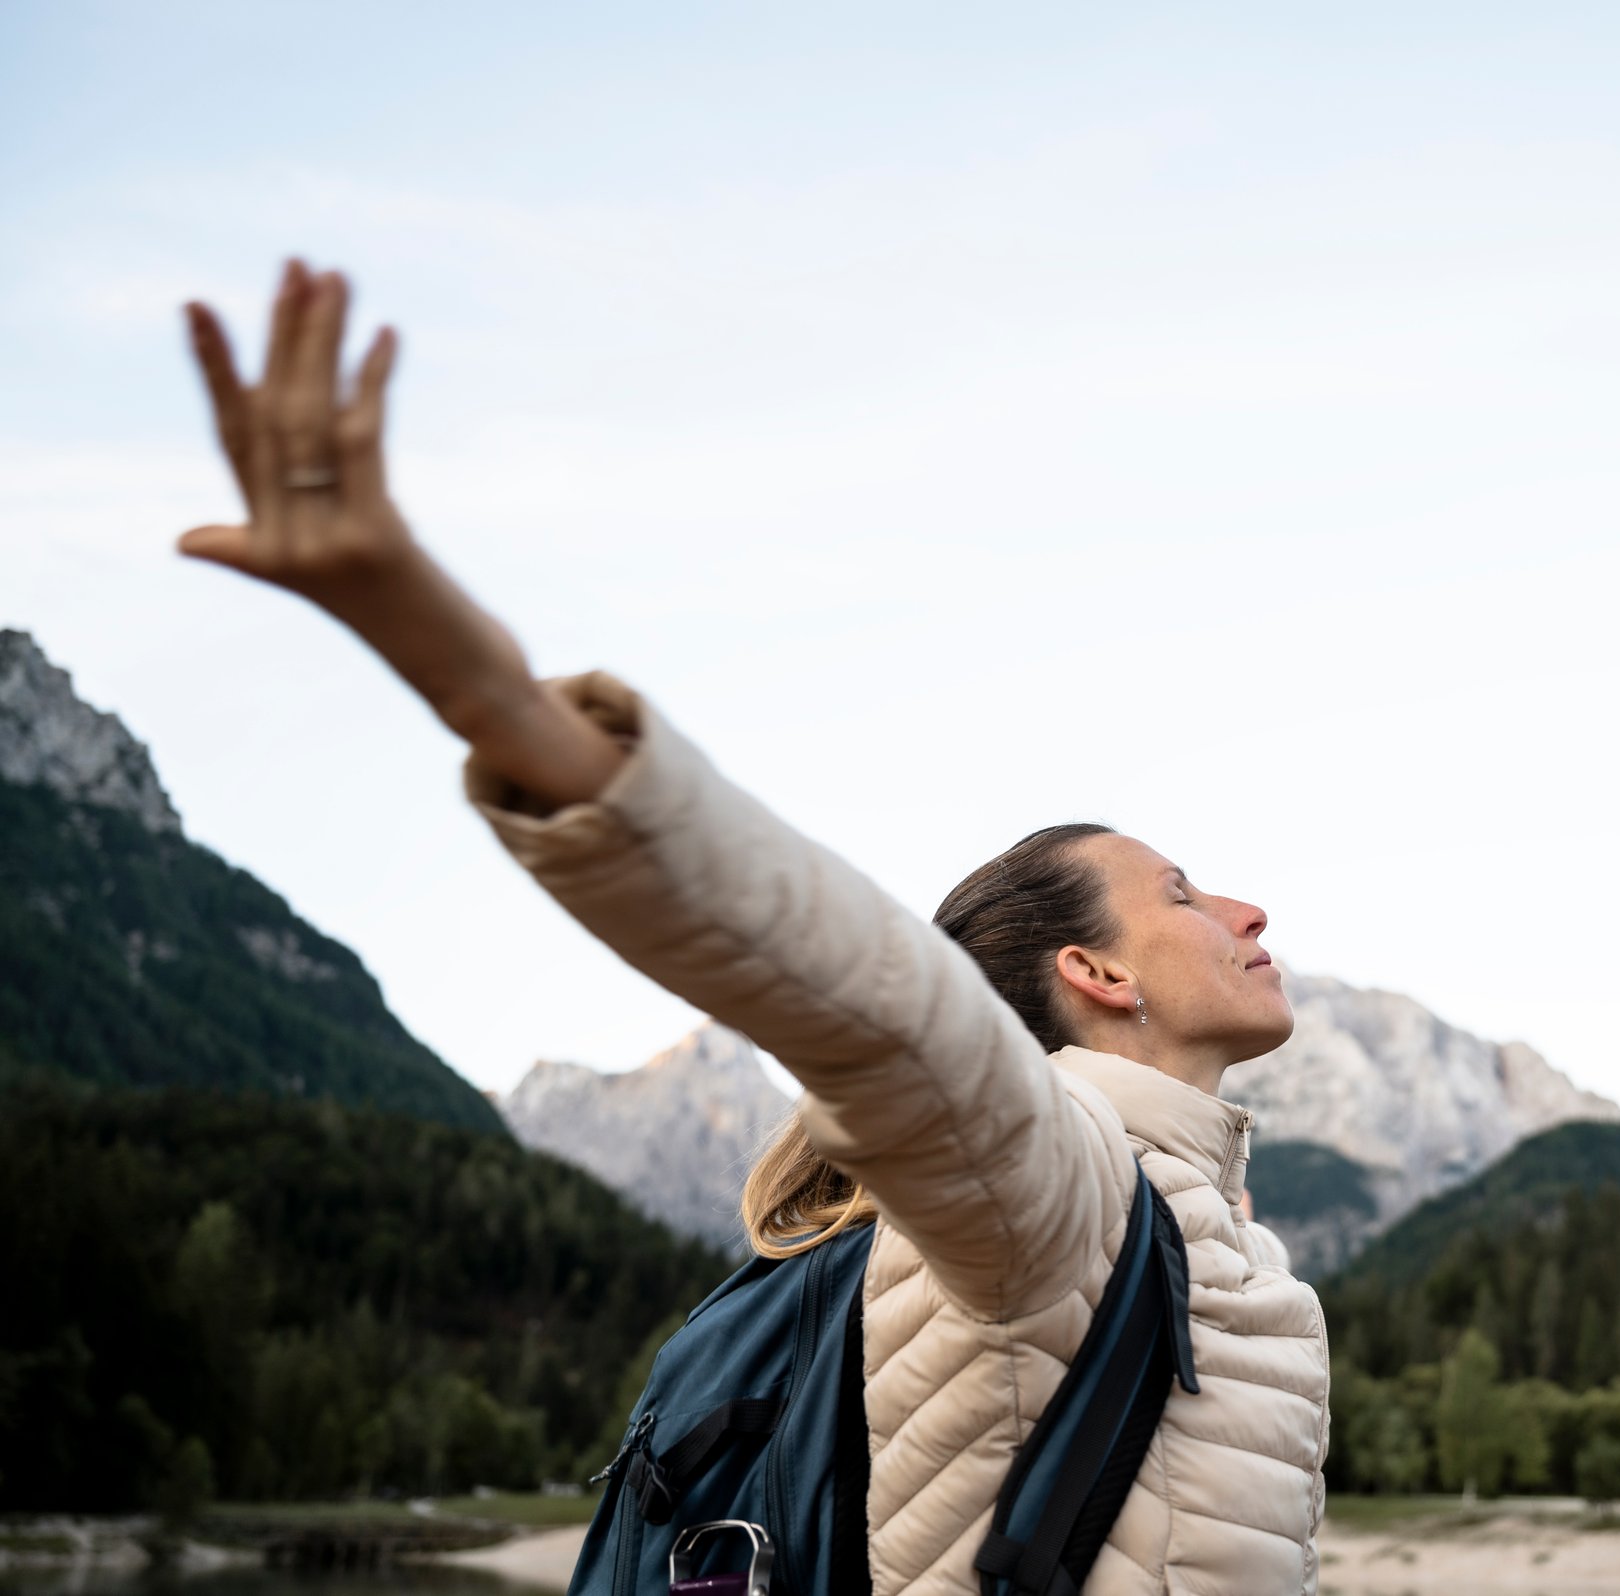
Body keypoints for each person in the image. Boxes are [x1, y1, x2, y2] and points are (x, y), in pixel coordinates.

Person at [177, 261, 1330, 1594]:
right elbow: (863, 993)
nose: (1246, 910)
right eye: (1182, 893)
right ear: (1093, 971)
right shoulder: (1050, 1186)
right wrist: (476, 680)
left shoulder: (1197, 1225)